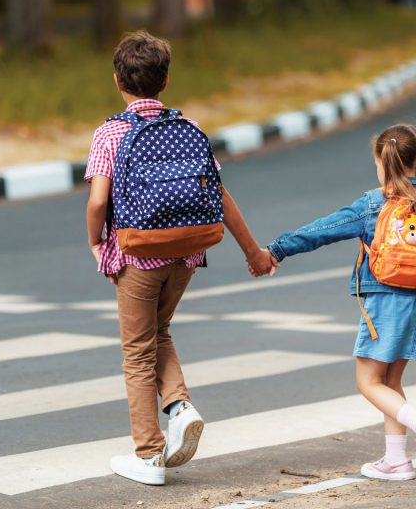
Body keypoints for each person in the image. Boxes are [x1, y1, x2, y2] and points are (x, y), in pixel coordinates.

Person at [85, 31, 276, 486]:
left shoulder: (110, 133)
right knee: (159, 331)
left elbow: (97, 202)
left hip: (137, 256)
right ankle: (179, 406)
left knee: (136, 352)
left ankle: (150, 455)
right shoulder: (187, 127)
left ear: (117, 81)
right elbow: (220, 195)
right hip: (188, 254)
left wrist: (96, 242)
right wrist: (254, 252)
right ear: (165, 82)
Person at [261, 123, 416, 481]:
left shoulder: (374, 203)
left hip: (385, 302)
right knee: (390, 382)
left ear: (381, 160)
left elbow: (323, 229)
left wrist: (278, 249)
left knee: (368, 382)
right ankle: (396, 461)